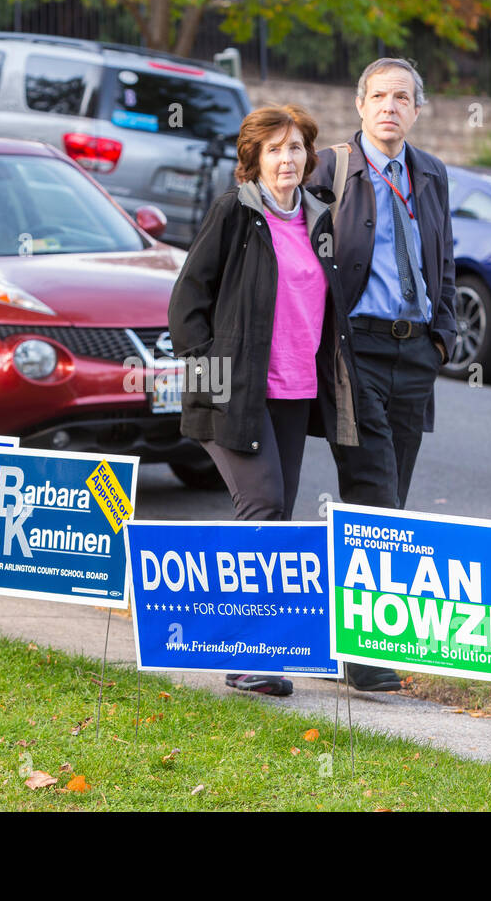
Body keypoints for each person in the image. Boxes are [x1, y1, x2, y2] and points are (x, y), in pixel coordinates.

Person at [168, 104, 360, 697]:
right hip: (236, 391)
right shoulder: (236, 211)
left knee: (279, 513)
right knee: (263, 503)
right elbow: (187, 301)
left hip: (294, 392)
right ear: (254, 159)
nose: (288, 159)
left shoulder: (319, 218)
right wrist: (211, 377)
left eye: (297, 148)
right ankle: (247, 655)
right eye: (275, 149)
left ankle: (260, 646)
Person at [307, 58, 458, 693]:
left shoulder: (431, 173)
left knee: (393, 493)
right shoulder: (332, 168)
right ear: (361, 105)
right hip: (354, 349)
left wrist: (443, 337)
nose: (390, 106)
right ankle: (367, 657)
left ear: (416, 110)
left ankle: (351, 634)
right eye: (379, 95)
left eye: (402, 97)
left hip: (415, 352)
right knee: (373, 489)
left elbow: (444, 257)